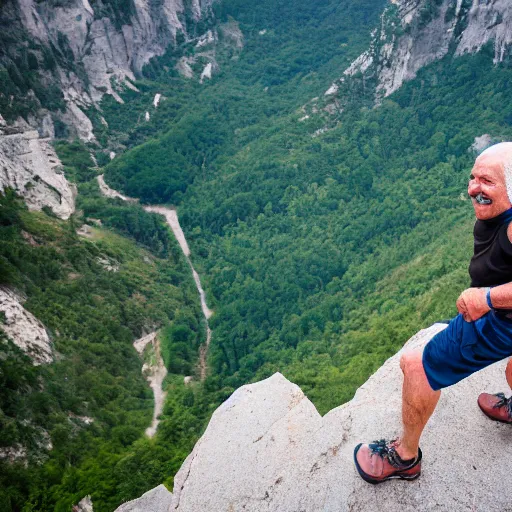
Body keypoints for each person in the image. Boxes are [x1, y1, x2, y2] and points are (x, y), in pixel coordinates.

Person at [354, 142, 512, 484]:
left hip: (501, 320)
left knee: (417, 365)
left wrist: (487, 297)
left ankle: (404, 458)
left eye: (487, 181)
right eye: (472, 178)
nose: (473, 188)